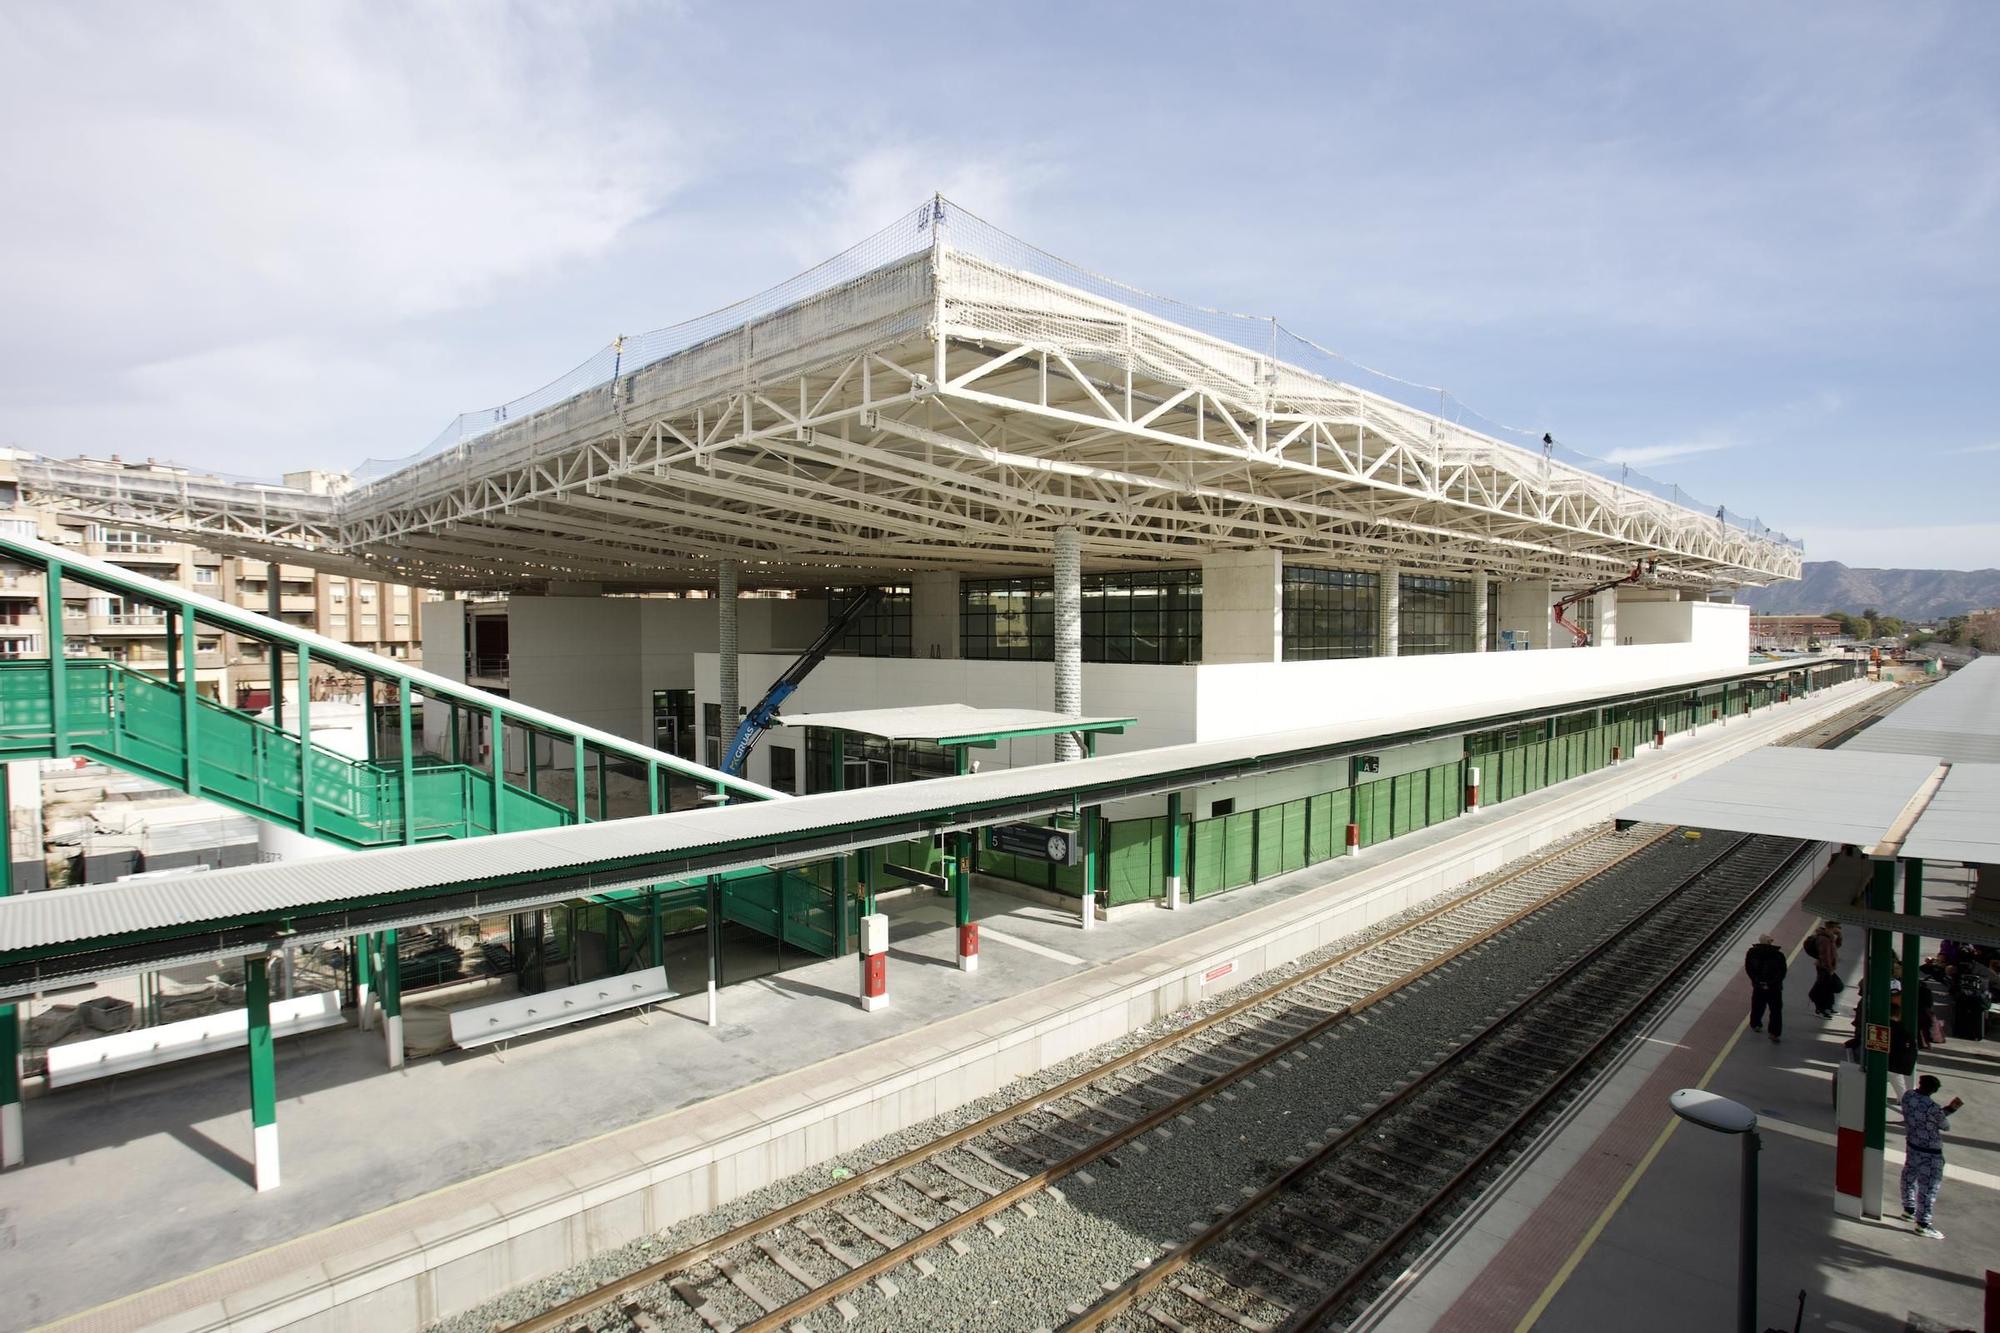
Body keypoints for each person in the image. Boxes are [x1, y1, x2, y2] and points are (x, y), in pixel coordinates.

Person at [1900, 1074, 1961, 1238]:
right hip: (1931, 1152)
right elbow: (1945, 1126)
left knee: (1909, 1176)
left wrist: (1942, 1112)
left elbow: (1923, 1116)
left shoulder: (1908, 1096)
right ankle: (1923, 1224)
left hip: (1912, 1145)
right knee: (1928, 1188)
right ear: (1933, 1090)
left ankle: (1908, 1210)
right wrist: (1950, 1109)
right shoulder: (1933, 1108)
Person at [1744, 934, 1788, 1042]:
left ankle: (1755, 1024)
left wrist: (1757, 981)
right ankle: (1774, 1033)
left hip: (1758, 986)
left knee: (1757, 1005)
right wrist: (1771, 983)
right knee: (1776, 1010)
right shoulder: (1778, 955)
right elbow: (1782, 972)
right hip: (1775, 988)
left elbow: (1749, 969)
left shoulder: (1751, 953)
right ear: (1770, 942)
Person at [1807, 922, 1842, 1018]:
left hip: (1829, 967)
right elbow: (1824, 956)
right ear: (1832, 927)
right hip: (1824, 967)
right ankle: (1820, 1008)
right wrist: (1829, 969)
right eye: (1837, 927)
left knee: (1828, 987)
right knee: (1825, 987)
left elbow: (1837, 946)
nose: (1839, 929)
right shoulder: (1824, 939)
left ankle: (1828, 1007)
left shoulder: (1830, 937)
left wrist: (1839, 935)